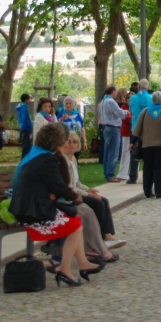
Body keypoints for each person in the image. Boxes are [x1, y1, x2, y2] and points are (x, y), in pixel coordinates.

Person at [9, 123, 104, 287]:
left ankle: (82, 263)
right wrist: (78, 198)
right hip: (31, 213)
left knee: (76, 220)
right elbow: (60, 187)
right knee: (76, 223)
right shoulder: (47, 160)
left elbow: (54, 187)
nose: (67, 143)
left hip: (29, 206)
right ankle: (64, 269)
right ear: (58, 143)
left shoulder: (37, 154)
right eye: (65, 140)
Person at [60, 131, 123, 260]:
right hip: (72, 195)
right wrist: (86, 193)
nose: (72, 144)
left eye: (75, 142)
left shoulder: (73, 159)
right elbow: (69, 185)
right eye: (69, 142)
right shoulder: (64, 160)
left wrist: (89, 190)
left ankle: (107, 235)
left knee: (103, 200)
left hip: (76, 191)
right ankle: (99, 240)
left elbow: (77, 181)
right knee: (97, 204)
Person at [132, 91, 161, 199]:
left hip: (147, 144)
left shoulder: (145, 111)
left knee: (148, 167)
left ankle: (147, 191)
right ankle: (159, 191)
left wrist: (132, 142)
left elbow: (137, 129)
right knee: (159, 167)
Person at [99, 86, 127, 183]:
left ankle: (107, 173)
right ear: (113, 92)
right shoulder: (111, 101)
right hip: (113, 127)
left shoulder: (103, 101)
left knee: (107, 152)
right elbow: (119, 113)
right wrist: (126, 112)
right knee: (113, 152)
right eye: (116, 91)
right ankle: (110, 175)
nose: (117, 93)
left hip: (106, 127)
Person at [127, 79, 153, 184]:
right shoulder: (151, 98)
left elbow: (131, 110)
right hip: (147, 128)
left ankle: (133, 176)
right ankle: (147, 175)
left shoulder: (133, 98)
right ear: (147, 87)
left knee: (134, 152)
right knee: (148, 153)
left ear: (138, 87)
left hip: (135, 128)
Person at [115, 89, 133, 182]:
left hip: (134, 132)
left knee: (134, 154)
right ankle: (122, 173)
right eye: (128, 98)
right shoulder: (123, 107)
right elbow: (127, 118)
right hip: (126, 132)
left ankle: (133, 173)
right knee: (125, 152)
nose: (130, 100)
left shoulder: (134, 107)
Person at [16, 93, 34, 158]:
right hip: (26, 127)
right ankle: (24, 158)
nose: (30, 100)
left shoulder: (21, 107)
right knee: (26, 143)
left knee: (27, 143)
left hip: (23, 126)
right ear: (26, 100)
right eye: (29, 98)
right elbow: (25, 119)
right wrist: (30, 124)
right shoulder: (24, 108)